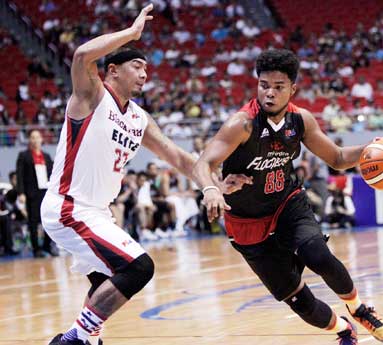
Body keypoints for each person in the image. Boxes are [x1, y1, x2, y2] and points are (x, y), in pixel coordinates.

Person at [40, 5, 251, 345]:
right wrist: (131, 34)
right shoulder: (92, 95)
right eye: (137, 66)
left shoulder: (139, 118)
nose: (143, 75)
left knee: (104, 286)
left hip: (97, 213)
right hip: (69, 207)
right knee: (139, 268)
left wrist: (213, 184)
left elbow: (181, 159)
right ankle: (73, 340)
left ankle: (85, 339)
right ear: (112, 70)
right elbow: (80, 56)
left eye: (146, 69)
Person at [193, 49, 383, 345]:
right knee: (301, 303)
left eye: (278, 87)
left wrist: (371, 149)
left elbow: (338, 158)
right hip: (247, 223)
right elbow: (204, 163)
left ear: (293, 89)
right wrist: (213, 188)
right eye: (264, 85)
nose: (270, 93)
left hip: (287, 205)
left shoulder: (301, 121)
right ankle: (343, 329)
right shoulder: (242, 124)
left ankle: (359, 309)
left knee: (317, 254)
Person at [16, 129, 57, 258]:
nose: (35, 140)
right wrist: (21, 192)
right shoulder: (24, 155)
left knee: (49, 221)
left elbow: (52, 174)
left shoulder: (47, 156)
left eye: (37, 137)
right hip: (31, 193)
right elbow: (20, 175)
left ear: (41, 139)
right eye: (32, 137)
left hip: (46, 193)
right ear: (29, 140)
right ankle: (36, 249)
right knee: (33, 222)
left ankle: (47, 246)